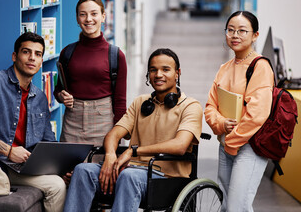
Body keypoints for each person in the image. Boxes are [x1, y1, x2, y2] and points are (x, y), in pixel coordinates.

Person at [63, 48, 203, 212]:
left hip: (166, 178)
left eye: (165, 69)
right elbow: (114, 134)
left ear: (177, 73)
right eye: (153, 70)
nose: (158, 75)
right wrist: (109, 156)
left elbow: (180, 146)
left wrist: (133, 151)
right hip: (130, 170)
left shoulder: (191, 106)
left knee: (128, 177)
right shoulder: (141, 102)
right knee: (83, 171)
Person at [0, 32, 66, 212]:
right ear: (15, 56)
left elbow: (48, 140)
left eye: (38, 54)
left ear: (41, 61)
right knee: (56, 185)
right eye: (26, 52)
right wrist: (9, 150)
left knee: (66, 178)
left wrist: (60, 166)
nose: (32, 58)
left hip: (23, 166)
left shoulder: (40, 97)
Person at [204, 11, 274, 212]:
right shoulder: (224, 68)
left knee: (237, 206)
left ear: (255, 35)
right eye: (231, 30)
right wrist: (221, 125)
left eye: (242, 31)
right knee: (228, 206)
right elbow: (210, 107)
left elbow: (257, 115)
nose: (235, 35)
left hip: (249, 146)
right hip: (226, 143)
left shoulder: (260, 67)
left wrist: (231, 139)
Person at [54, 0, 127, 147]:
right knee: (68, 170)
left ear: (103, 16)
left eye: (94, 14)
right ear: (77, 18)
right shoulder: (67, 53)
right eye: (83, 14)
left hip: (104, 123)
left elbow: (120, 102)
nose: (88, 19)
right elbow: (58, 90)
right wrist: (62, 96)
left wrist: (117, 136)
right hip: (72, 122)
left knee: (100, 169)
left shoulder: (115, 55)